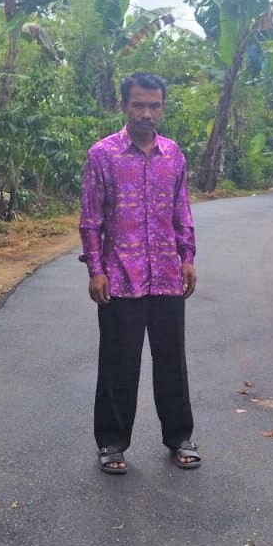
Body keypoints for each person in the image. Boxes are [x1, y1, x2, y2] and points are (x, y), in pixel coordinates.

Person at [78, 72, 200, 475]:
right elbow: (91, 219)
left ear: (163, 107)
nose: (147, 113)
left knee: (171, 360)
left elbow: (181, 211)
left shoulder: (174, 155)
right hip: (120, 277)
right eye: (138, 105)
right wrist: (96, 269)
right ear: (124, 106)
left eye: (154, 105)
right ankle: (112, 443)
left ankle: (180, 436)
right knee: (118, 362)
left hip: (166, 273)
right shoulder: (103, 155)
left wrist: (187, 257)